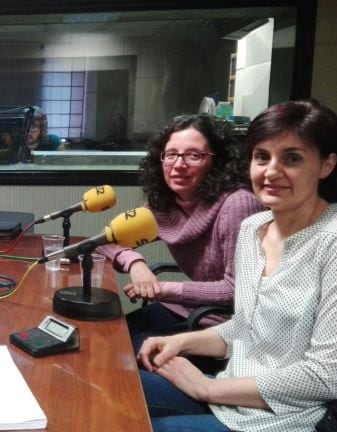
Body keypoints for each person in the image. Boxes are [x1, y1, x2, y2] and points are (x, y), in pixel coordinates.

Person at [137, 99, 337, 432]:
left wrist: (205, 387)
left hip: (284, 419)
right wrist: (181, 342)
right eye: (262, 157)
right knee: (114, 389)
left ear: (326, 165)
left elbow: (326, 378)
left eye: (292, 158)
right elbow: (245, 327)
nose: (271, 172)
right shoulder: (253, 228)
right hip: (230, 392)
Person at [99, 114, 263, 353]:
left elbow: (236, 290)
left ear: (217, 162)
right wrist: (136, 265)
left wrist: (163, 290)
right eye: (171, 154)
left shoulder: (238, 204)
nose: (178, 165)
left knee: (119, 355)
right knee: (105, 339)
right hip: (187, 309)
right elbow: (106, 241)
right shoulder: (165, 205)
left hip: (223, 327)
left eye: (193, 155)